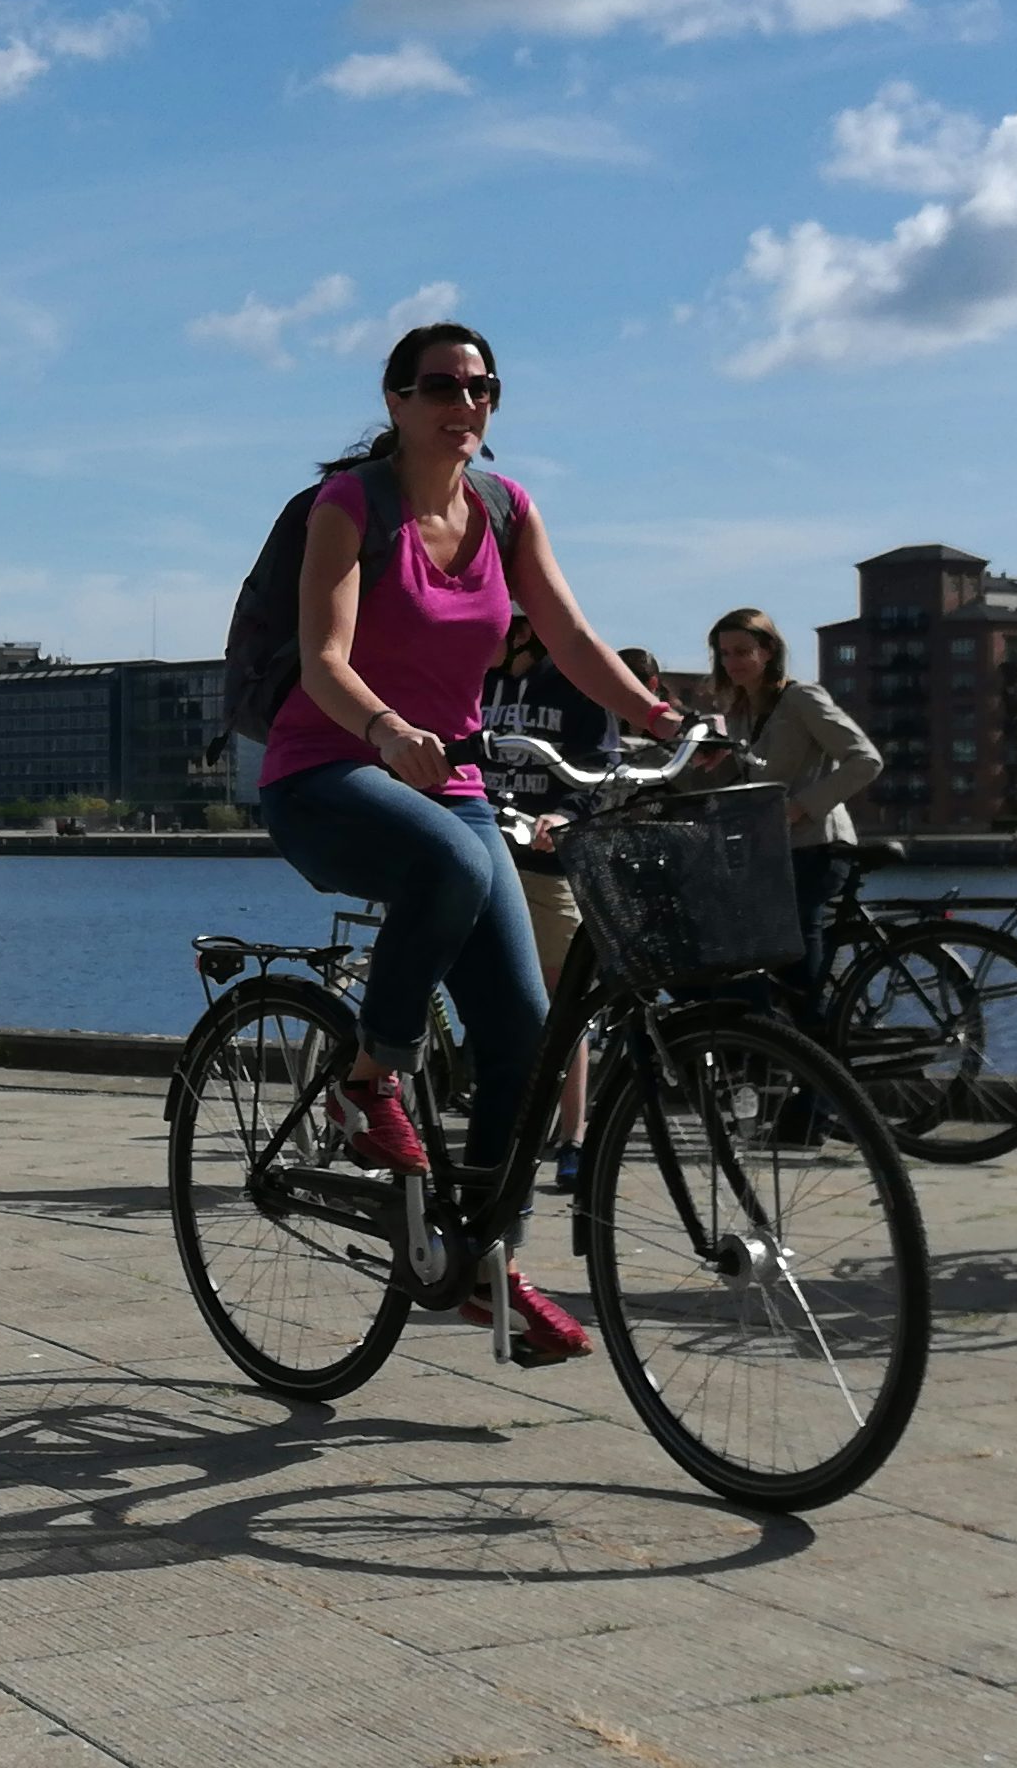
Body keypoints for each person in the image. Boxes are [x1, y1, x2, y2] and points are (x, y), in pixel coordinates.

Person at [256, 322, 687, 1363]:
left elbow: (575, 638)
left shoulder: (506, 509)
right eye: (444, 383)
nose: (468, 400)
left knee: (526, 1043)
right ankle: (370, 1081)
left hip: (446, 782)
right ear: (398, 398)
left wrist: (668, 723)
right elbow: (320, 656)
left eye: (484, 385)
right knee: (448, 861)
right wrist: (385, 728)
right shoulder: (350, 504)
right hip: (328, 770)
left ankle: (481, 1261)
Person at [479, 615, 615, 1187]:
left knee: (565, 1003)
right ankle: (504, 1128)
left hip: (547, 864)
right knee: (494, 1001)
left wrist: (564, 814)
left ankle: (573, 1137)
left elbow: (599, 767)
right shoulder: (479, 680)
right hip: (486, 852)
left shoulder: (578, 683)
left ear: (524, 634)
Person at [700, 606, 883, 1011]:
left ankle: (817, 1045)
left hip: (817, 847)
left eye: (742, 651)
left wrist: (801, 806)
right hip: (772, 853)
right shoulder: (740, 714)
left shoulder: (801, 698)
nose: (732, 662)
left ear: (768, 651)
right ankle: (777, 1046)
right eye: (724, 653)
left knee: (790, 949)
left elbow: (865, 760)